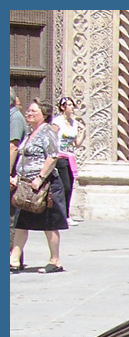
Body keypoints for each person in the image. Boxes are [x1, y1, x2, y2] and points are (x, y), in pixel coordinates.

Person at [10, 99, 67, 272]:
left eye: (33, 111)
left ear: (44, 114)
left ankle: (55, 260)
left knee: (49, 224)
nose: (29, 113)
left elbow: (52, 157)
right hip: (27, 185)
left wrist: (40, 178)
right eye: (28, 111)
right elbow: (24, 158)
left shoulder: (47, 132)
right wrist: (17, 176)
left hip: (45, 186)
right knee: (21, 223)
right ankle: (14, 260)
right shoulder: (30, 133)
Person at [51, 96, 85, 225]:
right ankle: (62, 214)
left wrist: (84, 132)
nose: (72, 107)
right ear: (62, 107)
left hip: (70, 156)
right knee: (64, 186)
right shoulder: (57, 121)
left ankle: (66, 214)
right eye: (69, 105)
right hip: (60, 157)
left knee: (70, 186)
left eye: (72, 105)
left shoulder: (73, 123)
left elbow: (76, 143)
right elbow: (52, 138)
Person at [11, 88, 29, 267]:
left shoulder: (15, 118)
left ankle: (13, 258)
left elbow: (13, 147)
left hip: (13, 177)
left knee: (11, 219)